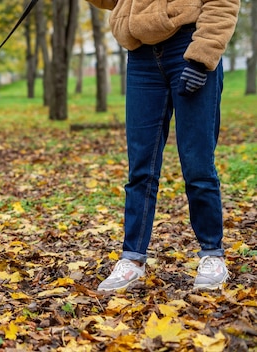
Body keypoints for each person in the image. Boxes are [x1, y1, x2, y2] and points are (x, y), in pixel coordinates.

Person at [85, 0, 240, 291]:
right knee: (141, 167)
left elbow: (223, 2)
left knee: (197, 163)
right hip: (141, 56)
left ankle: (212, 254)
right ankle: (132, 260)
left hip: (189, 45)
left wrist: (202, 55)